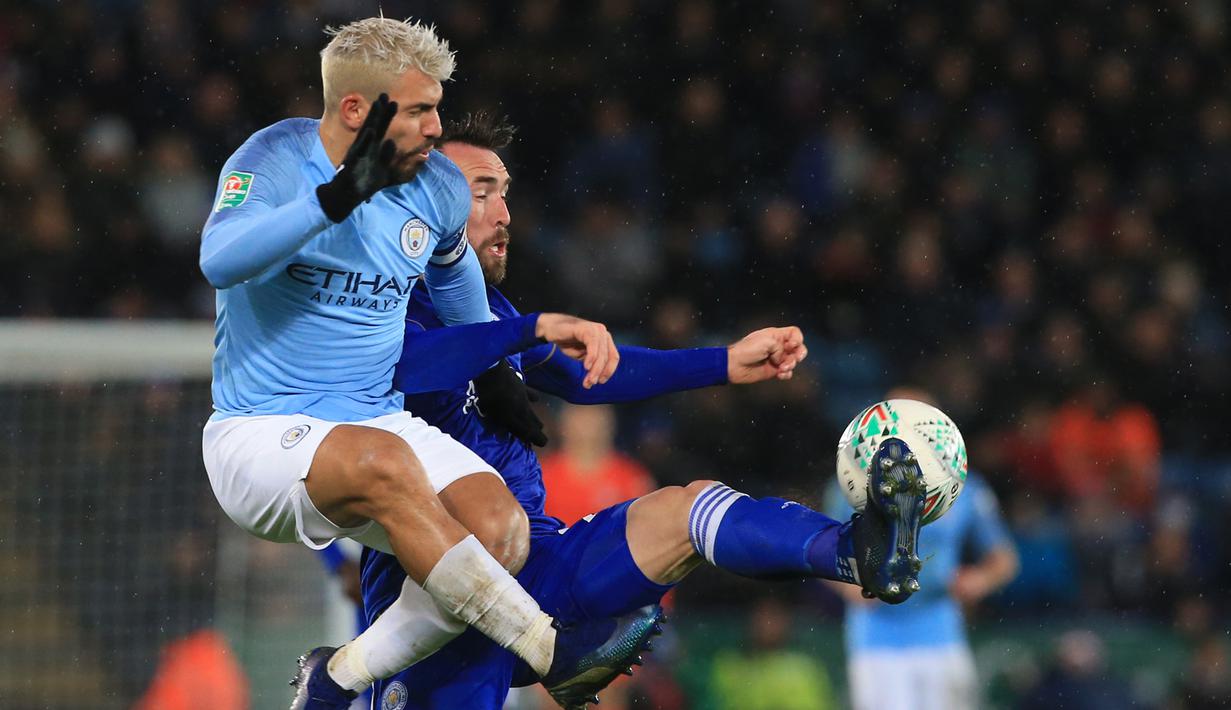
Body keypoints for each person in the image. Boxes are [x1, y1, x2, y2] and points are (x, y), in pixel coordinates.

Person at [357, 112, 930, 710]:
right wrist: (525, 332)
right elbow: (412, 365)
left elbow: (590, 374)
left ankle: (856, 550)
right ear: (426, 205)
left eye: (506, 194)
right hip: (438, 594)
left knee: (687, 511)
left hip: (535, 567)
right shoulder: (380, 307)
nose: (505, 215)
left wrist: (724, 363)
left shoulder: (495, 313)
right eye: (482, 194)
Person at [197, 18, 656, 710]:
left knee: (500, 530)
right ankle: (550, 649)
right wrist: (337, 198)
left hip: (375, 423)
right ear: (357, 110)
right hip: (261, 433)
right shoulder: (275, 159)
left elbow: (453, 277)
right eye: (418, 110)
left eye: (436, 106)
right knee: (383, 461)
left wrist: (493, 367)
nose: (438, 127)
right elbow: (220, 260)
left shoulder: (435, 186)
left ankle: (337, 681)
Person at [828, 387, 1018, 710]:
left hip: (941, 628)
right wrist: (848, 585)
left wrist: (980, 580)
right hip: (876, 635)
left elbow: (1004, 559)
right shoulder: (852, 480)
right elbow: (826, 547)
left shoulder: (964, 488)